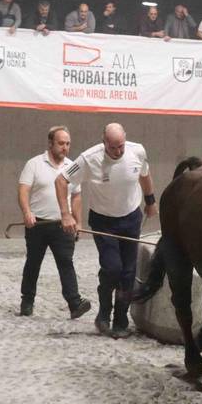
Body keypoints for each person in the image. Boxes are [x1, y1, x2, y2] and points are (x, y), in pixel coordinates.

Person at [58, 124, 157, 338]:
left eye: (121, 146)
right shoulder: (88, 159)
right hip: (104, 221)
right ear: (104, 143)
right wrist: (66, 215)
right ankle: (104, 313)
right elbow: (61, 180)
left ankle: (121, 320)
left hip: (131, 217)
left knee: (128, 272)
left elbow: (145, 175)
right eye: (113, 148)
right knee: (113, 268)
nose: (118, 151)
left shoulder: (137, 151)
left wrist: (150, 201)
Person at [17, 127, 92, 319]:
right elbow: (23, 190)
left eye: (67, 143)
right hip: (38, 224)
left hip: (63, 224)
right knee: (33, 262)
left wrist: (78, 222)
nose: (65, 147)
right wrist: (27, 213)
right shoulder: (34, 164)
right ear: (50, 143)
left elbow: (76, 197)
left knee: (66, 262)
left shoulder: (72, 167)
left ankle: (75, 303)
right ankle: (27, 301)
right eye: (61, 143)